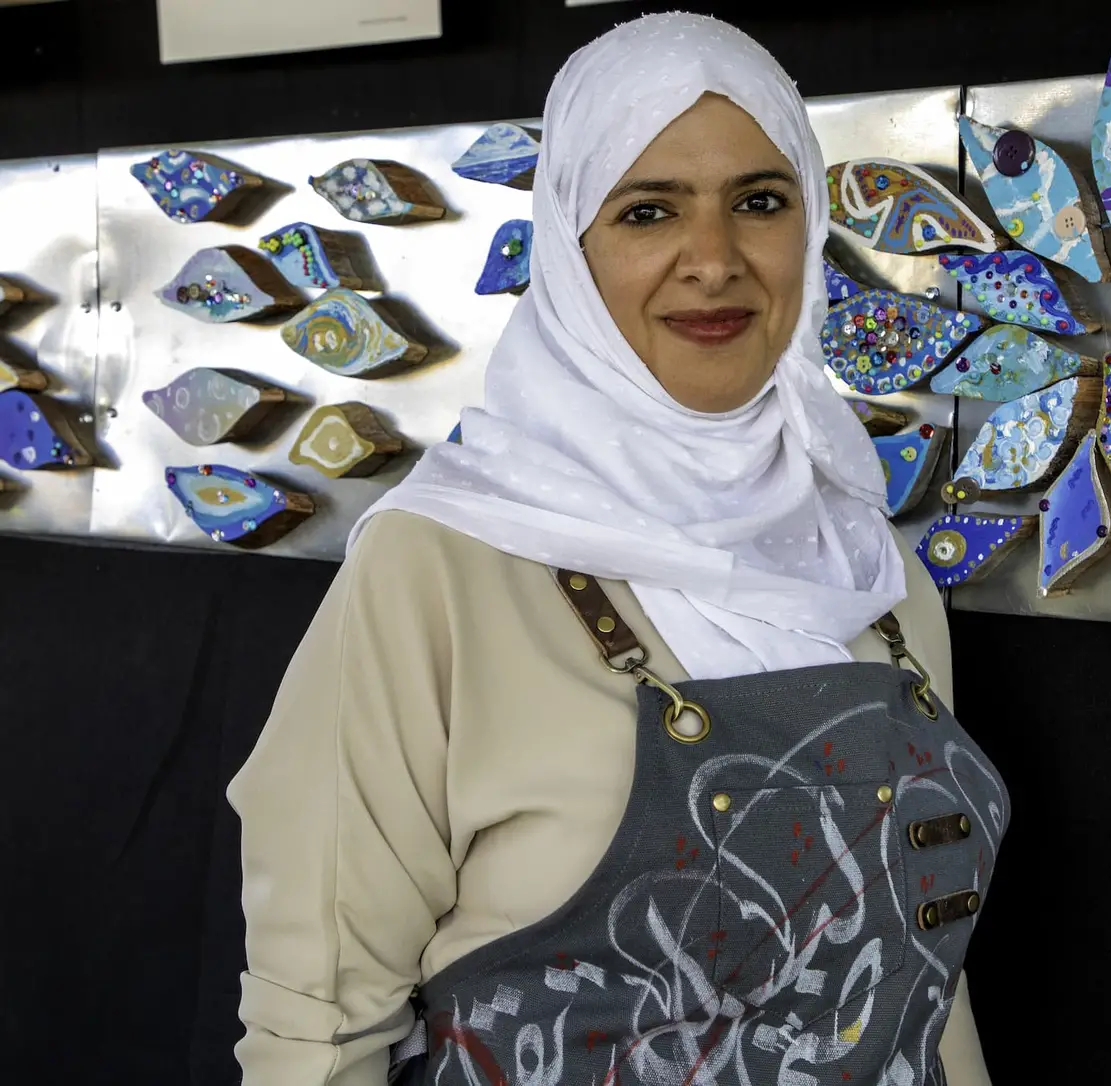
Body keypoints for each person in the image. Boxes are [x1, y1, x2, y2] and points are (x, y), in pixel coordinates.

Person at [228, 13, 1008, 1084]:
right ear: (569, 247)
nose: (715, 260)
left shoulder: (876, 576)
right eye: (648, 211)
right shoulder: (437, 571)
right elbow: (313, 1026)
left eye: (760, 202)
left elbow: (923, 993)